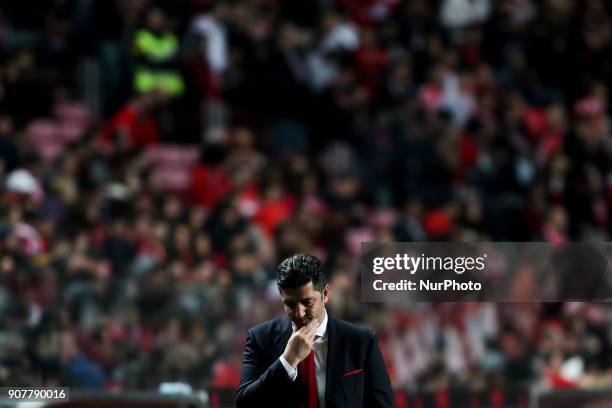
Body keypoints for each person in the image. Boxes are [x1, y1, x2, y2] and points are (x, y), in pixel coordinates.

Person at [236, 254, 393, 407]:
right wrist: (287, 361)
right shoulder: (260, 338)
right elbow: (244, 403)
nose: (299, 313)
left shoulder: (361, 341)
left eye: (307, 302)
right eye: (290, 304)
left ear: (325, 294)